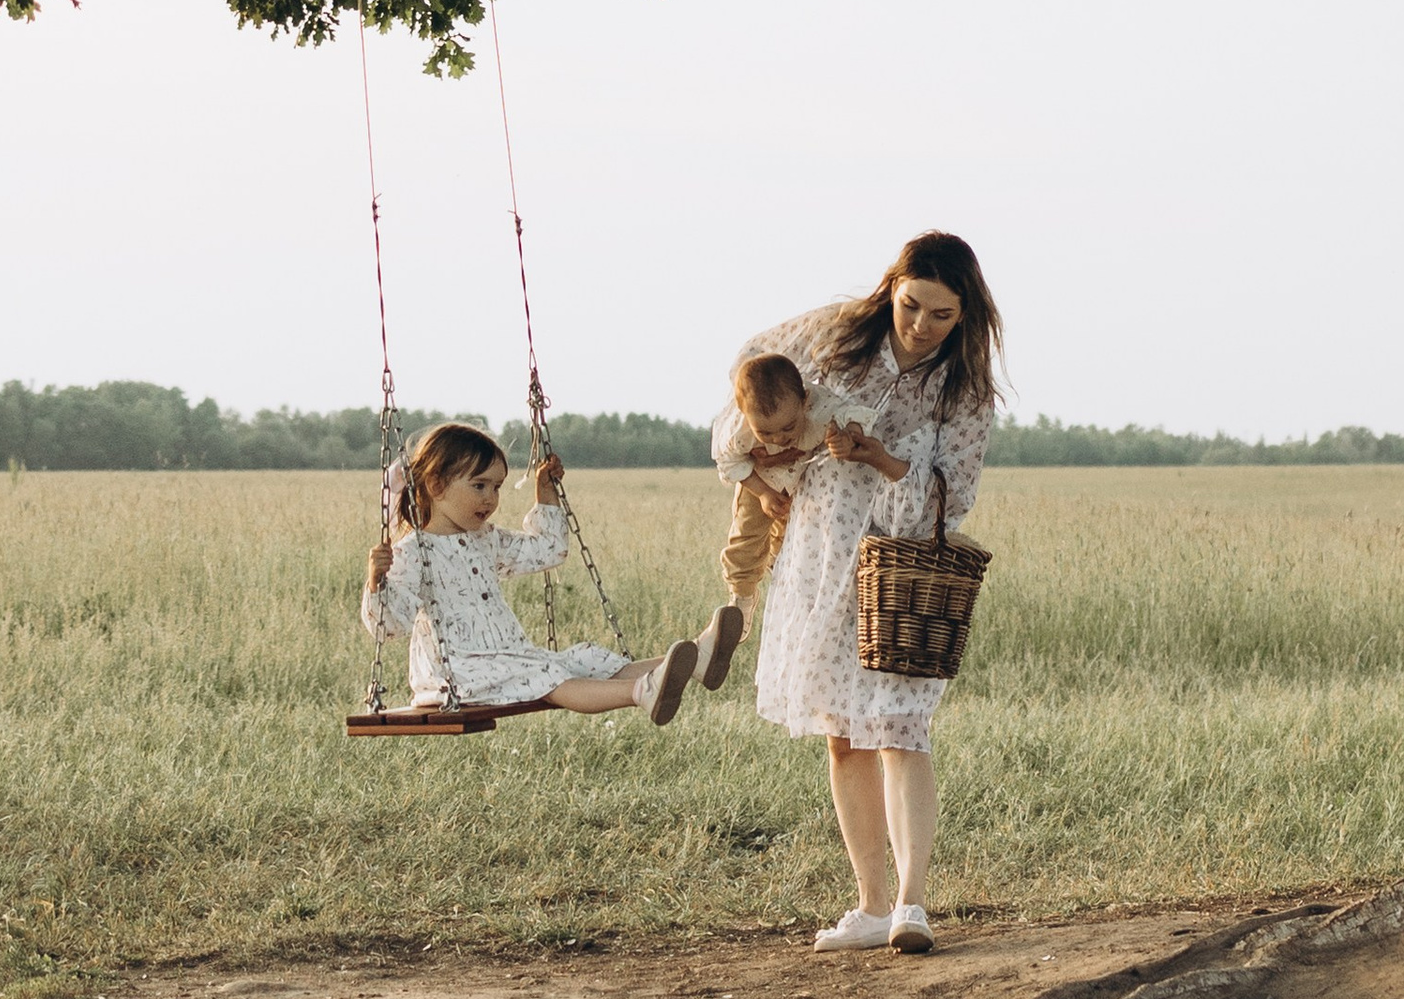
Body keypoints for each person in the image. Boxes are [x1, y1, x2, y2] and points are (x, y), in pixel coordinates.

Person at [731, 230, 1000, 955]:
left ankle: (912, 905)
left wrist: (881, 458)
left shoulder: (966, 391)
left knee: (901, 729)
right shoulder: (836, 334)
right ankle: (871, 906)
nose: (921, 325)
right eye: (912, 305)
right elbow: (751, 363)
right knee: (844, 734)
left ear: (965, 315)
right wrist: (762, 453)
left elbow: (950, 500)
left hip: (899, 571)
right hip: (821, 555)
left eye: (941, 315)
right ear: (892, 289)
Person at [362, 419, 720, 721]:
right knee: (548, 674)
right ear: (436, 485)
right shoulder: (412, 553)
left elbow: (547, 550)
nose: (490, 498)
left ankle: (697, 661)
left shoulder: (486, 539)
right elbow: (392, 625)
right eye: (479, 485)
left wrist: (545, 492)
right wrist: (377, 582)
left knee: (583, 659)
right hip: (456, 674)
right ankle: (641, 691)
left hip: (508, 658)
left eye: (497, 487)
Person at [707, 348, 887, 652]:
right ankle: (742, 594)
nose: (779, 438)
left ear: (804, 401)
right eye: (765, 432)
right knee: (747, 537)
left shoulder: (821, 408)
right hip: (758, 480)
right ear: (744, 414)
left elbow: (853, 414)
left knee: (789, 541)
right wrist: (763, 493)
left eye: (789, 427)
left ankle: (783, 586)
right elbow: (728, 461)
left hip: (799, 480)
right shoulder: (739, 431)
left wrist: (847, 435)